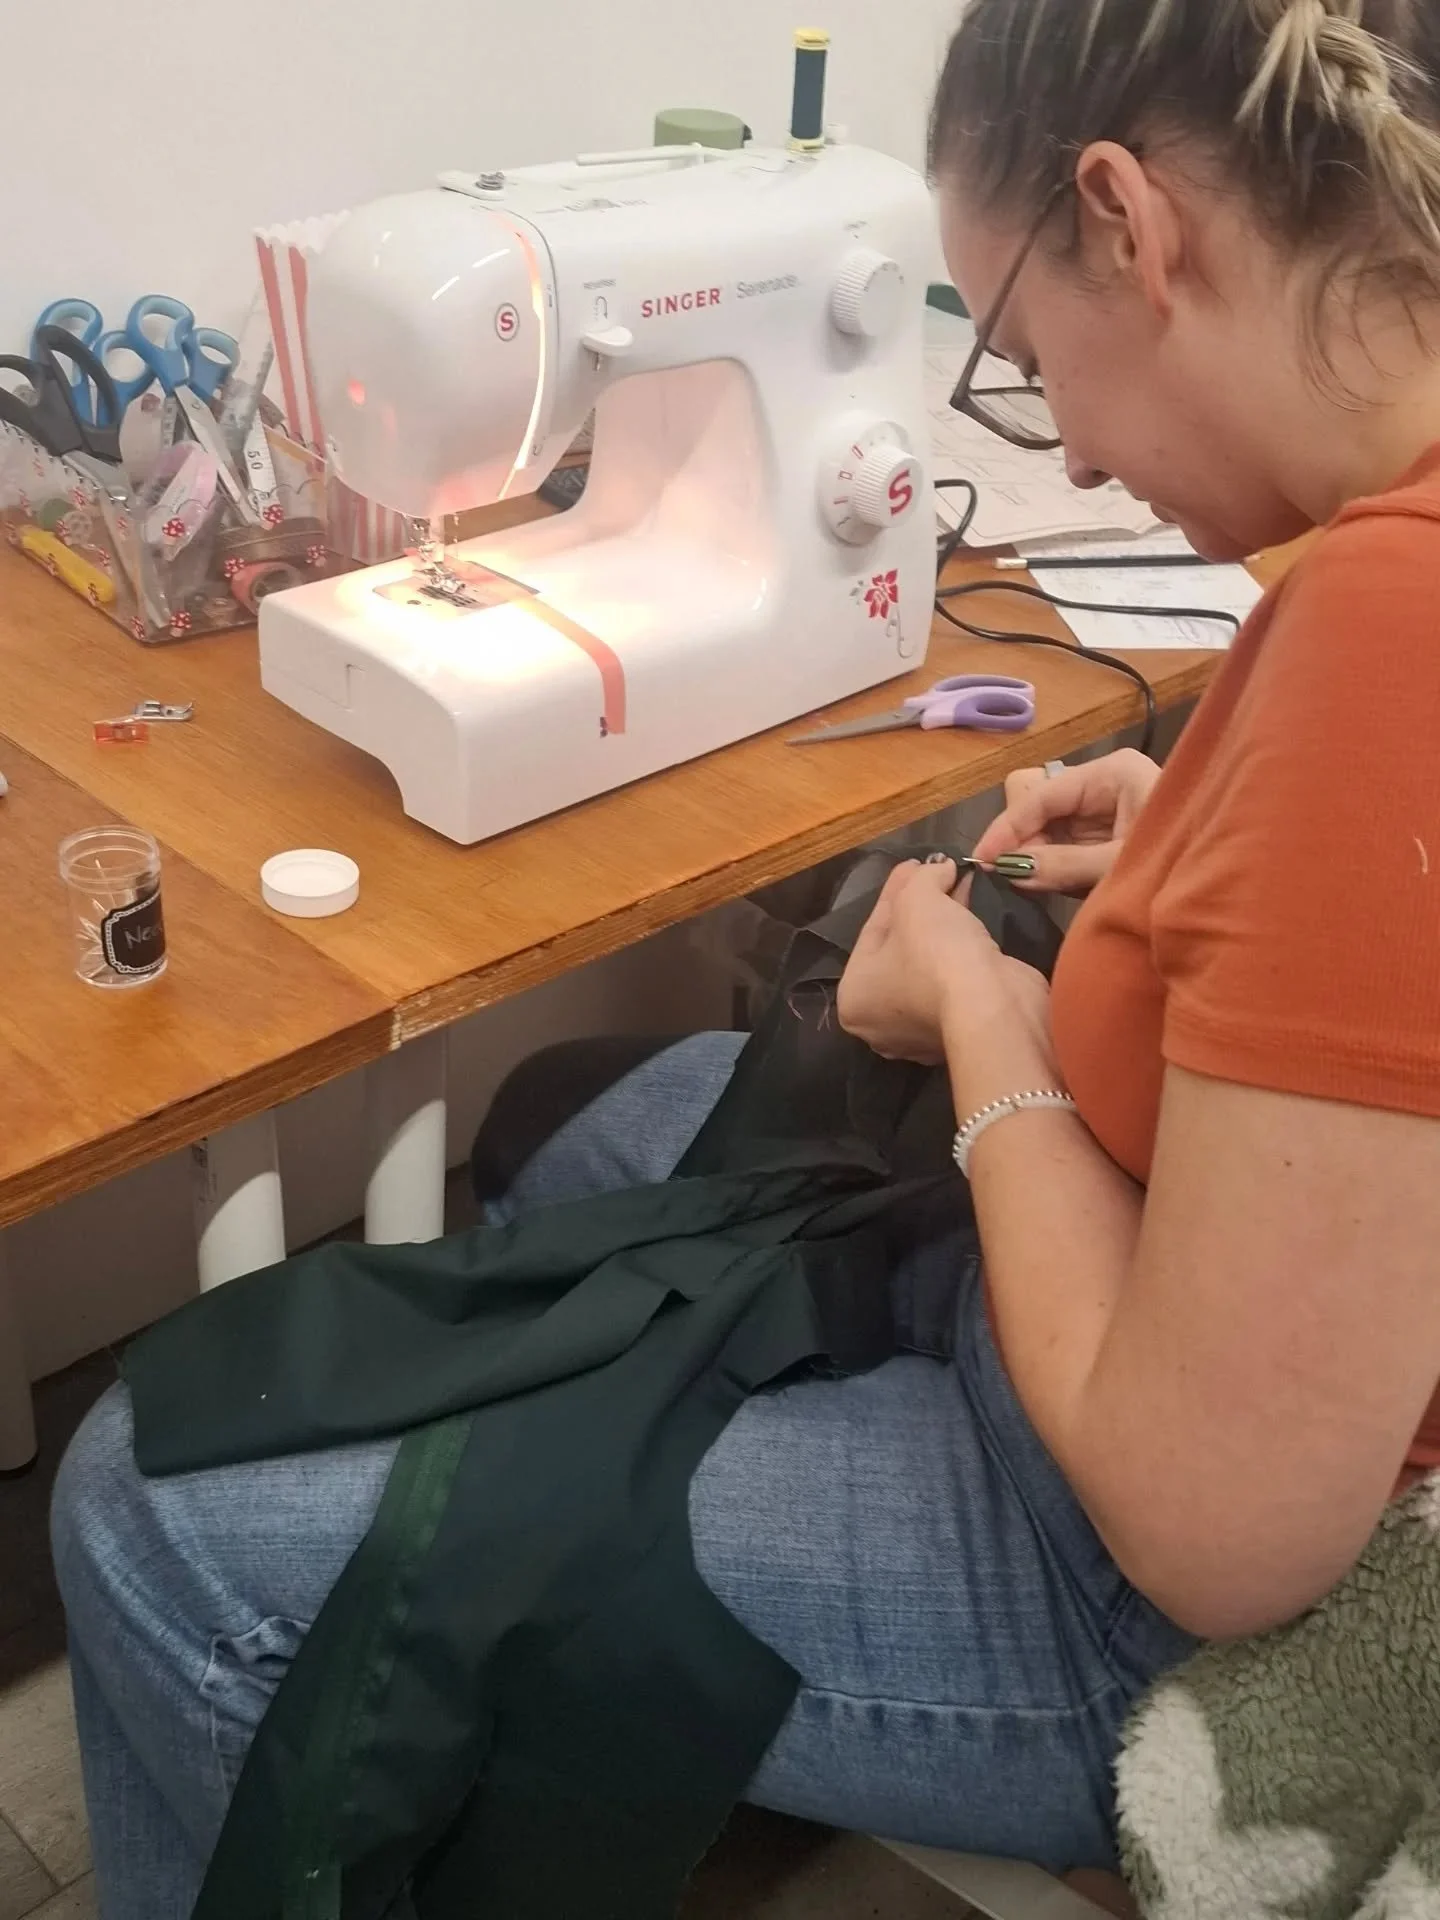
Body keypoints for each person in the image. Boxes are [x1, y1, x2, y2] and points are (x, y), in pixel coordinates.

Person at [51, 0, 1440, 1910]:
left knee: (146, 1509)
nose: (1086, 460)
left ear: (1128, 221)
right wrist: (1196, 848)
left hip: (1118, 1581)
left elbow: (1218, 1534)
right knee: (571, 1124)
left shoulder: (1392, 632)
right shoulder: (1374, 570)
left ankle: (436, 1671)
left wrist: (980, 1014)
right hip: (1147, 1280)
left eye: (1030, 365)